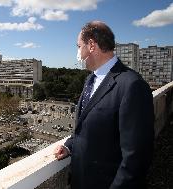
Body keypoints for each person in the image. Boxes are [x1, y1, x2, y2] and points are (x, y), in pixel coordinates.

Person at [54, 21, 154, 189]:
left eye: (79, 46)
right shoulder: (90, 79)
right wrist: (69, 146)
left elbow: (137, 157)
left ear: (91, 45)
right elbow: (88, 126)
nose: (78, 52)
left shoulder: (132, 85)